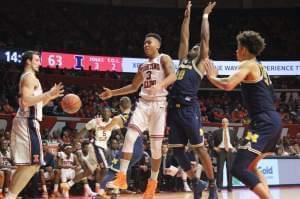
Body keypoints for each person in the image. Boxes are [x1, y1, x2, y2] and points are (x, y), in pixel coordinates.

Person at [204, 30, 282, 199]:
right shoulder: (260, 66)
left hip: (263, 122)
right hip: (272, 120)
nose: (236, 51)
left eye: (238, 48)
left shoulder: (248, 64)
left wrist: (211, 77)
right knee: (252, 167)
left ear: (245, 50)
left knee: (238, 168)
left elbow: (229, 84)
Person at [100, 32, 176, 199]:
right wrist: (113, 93)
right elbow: (134, 86)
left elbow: (173, 75)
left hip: (159, 105)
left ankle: (152, 184)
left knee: (156, 149)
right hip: (143, 104)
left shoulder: (164, 58)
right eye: (144, 43)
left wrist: (161, 85)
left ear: (157, 45)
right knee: (129, 137)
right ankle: (121, 178)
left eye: (149, 42)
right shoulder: (142, 66)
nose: (146, 45)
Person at [166, 1, 217, 199]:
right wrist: (186, 18)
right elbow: (184, 39)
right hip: (174, 110)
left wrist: (204, 16)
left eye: (198, 47)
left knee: (200, 149)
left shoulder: (199, 63)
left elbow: (204, 39)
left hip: (189, 109)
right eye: (193, 47)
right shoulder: (183, 61)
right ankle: (197, 183)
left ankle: (212, 186)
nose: (195, 46)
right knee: (177, 152)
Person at [7, 51, 64, 199]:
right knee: (33, 164)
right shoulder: (29, 78)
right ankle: (10, 196)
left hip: (30, 121)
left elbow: (36, 105)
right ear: (28, 61)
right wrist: (47, 94)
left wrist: (50, 96)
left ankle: (10, 195)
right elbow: (25, 102)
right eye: (37, 60)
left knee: (30, 165)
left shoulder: (32, 78)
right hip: (27, 122)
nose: (40, 63)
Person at [212, 118, 238, 192]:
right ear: (221, 123)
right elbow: (210, 140)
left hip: (230, 151)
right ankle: (219, 187)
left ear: (228, 123)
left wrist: (235, 148)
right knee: (220, 169)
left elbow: (238, 141)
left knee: (230, 170)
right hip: (221, 151)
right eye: (223, 122)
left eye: (226, 122)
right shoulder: (217, 132)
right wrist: (214, 147)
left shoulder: (232, 132)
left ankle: (230, 187)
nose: (224, 123)